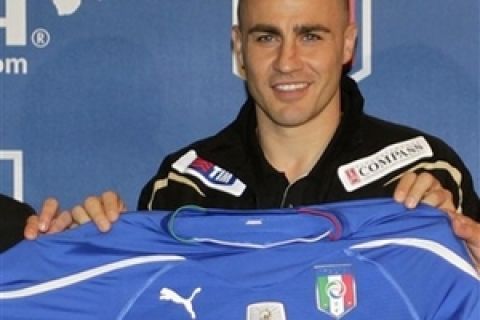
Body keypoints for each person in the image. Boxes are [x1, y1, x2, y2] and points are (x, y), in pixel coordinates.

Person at [24, 0, 480, 268]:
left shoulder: (423, 169)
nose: (286, 61)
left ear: (346, 44)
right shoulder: (183, 182)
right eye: (266, 38)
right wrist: (80, 252)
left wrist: (460, 248)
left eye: (310, 36)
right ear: (239, 47)